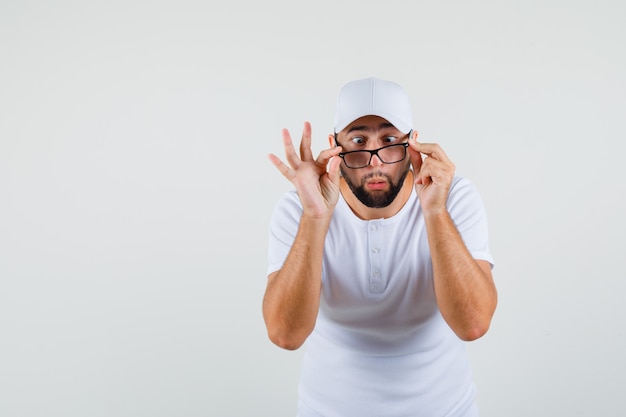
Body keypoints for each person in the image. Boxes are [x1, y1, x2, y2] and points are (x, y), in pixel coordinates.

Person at [263, 77, 497, 417]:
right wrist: (315, 217)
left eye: (389, 140)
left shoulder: (454, 197)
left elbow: (473, 324)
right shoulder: (297, 208)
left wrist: (434, 211)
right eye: (359, 140)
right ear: (335, 147)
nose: (375, 162)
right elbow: (285, 334)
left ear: (413, 145)